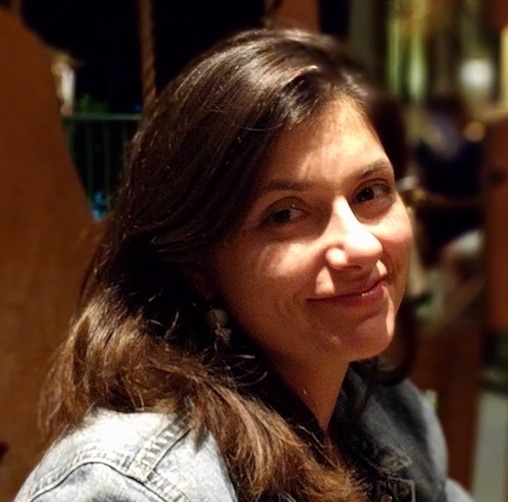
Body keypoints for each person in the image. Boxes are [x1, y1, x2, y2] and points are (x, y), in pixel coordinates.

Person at [16, 29, 474, 501]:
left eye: (370, 192)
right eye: (285, 215)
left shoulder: (388, 409)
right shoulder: (132, 486)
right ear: (198, 265)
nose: (360, 246)